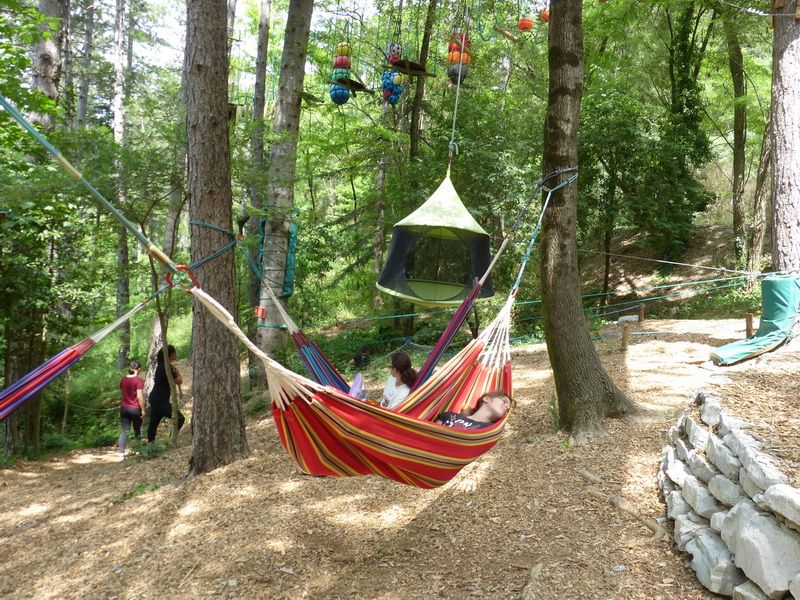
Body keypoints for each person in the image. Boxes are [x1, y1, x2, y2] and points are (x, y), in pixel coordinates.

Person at [146, 344, 185, 442]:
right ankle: (171, 440)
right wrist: (177, 372)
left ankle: (151, 444)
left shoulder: (162, 366)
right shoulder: (167, 368)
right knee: (180, 418)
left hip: (156, 398)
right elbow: (179, 381)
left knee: (153, 423)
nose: (176, 355)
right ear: (171, 355)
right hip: (161, 401)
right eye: (174, 353)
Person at [436, 390, 511, 429]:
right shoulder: (450, 416)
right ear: (487, 399)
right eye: (504, 401)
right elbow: (430, 434)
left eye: (508, 409)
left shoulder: (491, 430)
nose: (507, 407)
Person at [118, 360, 145, 457]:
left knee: (125, 430)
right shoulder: (138, 381)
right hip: (135, 409)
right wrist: (143, 409)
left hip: (124, 408)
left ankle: (121, 452)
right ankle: (138, 450)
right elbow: (140, 397)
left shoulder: (123, 379)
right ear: (138, 369)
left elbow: (122, 394)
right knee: (137, 429)